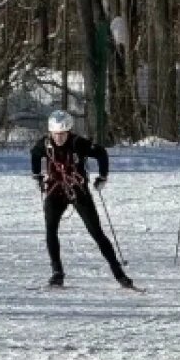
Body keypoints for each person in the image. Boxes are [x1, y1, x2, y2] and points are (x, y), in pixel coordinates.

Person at [30, 110, 134, 289]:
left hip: (78, 191)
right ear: (51, 132)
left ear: (68, 132)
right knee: (50, 230)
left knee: (96, 232)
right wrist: (37, 175)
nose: (59, 138)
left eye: (62, 134)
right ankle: (57, 272)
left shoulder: (78, 143)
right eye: (56, 134)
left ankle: (119, 274)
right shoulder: (45, 144)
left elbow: (101, 153)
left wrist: (102, 177)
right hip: (55, 191)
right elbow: (34, 154)